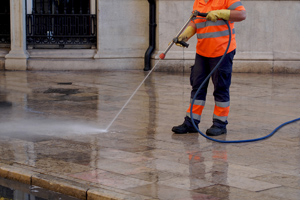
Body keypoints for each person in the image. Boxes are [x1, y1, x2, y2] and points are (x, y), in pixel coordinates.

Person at [172, 0, 246, 136]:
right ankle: (191, 123)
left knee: (220, 88)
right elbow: (195, 21)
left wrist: (220, 13)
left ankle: (220, 124)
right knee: (197, 86)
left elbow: (241, 14)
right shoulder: (198, 1)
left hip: (222, 51)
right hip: (202, 52)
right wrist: (186, 34)